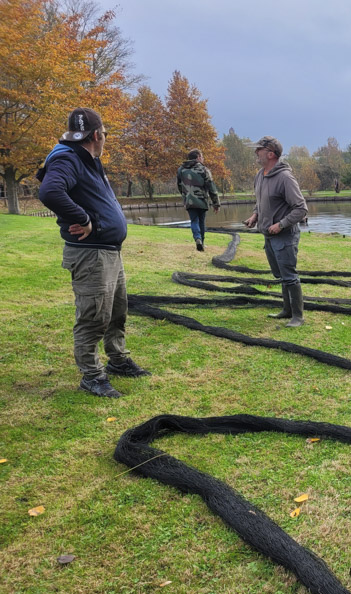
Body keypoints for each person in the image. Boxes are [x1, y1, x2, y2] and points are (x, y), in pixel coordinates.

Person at [37, 107, 151, 398]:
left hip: (109, 251)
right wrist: (85, 219)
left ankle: (118, 359)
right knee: (93, 317)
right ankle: (91, 376)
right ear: (97, 135)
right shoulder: (67, 157)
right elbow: (50, 192)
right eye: (105, 135)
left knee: (116, 311)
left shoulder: (86, 159)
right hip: (91, 255)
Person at [241, 136, 308, 327]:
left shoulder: (285, 178)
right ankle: (286, 310)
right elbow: (262, 202)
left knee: (289, 275)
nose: (256, 153)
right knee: (279, 275)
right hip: (268, 236)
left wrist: (281, 224)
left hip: (284, 235)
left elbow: (301, 208)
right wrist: (255, 215)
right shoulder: (260, 175)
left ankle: (298, 317)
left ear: (270, 154)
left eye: (259, 150)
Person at [176, 148, 220, 251]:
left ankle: (197, 238)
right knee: (201, 222)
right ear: (198, 157)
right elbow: (211, 187)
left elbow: (179, 186)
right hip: (201, 200)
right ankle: (202, 243)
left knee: (194, 220)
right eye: (202, 156)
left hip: (189, 200)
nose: (203, 159)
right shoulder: (204, 169)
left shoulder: (181, 169)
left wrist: (185, 197)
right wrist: (216, 203)